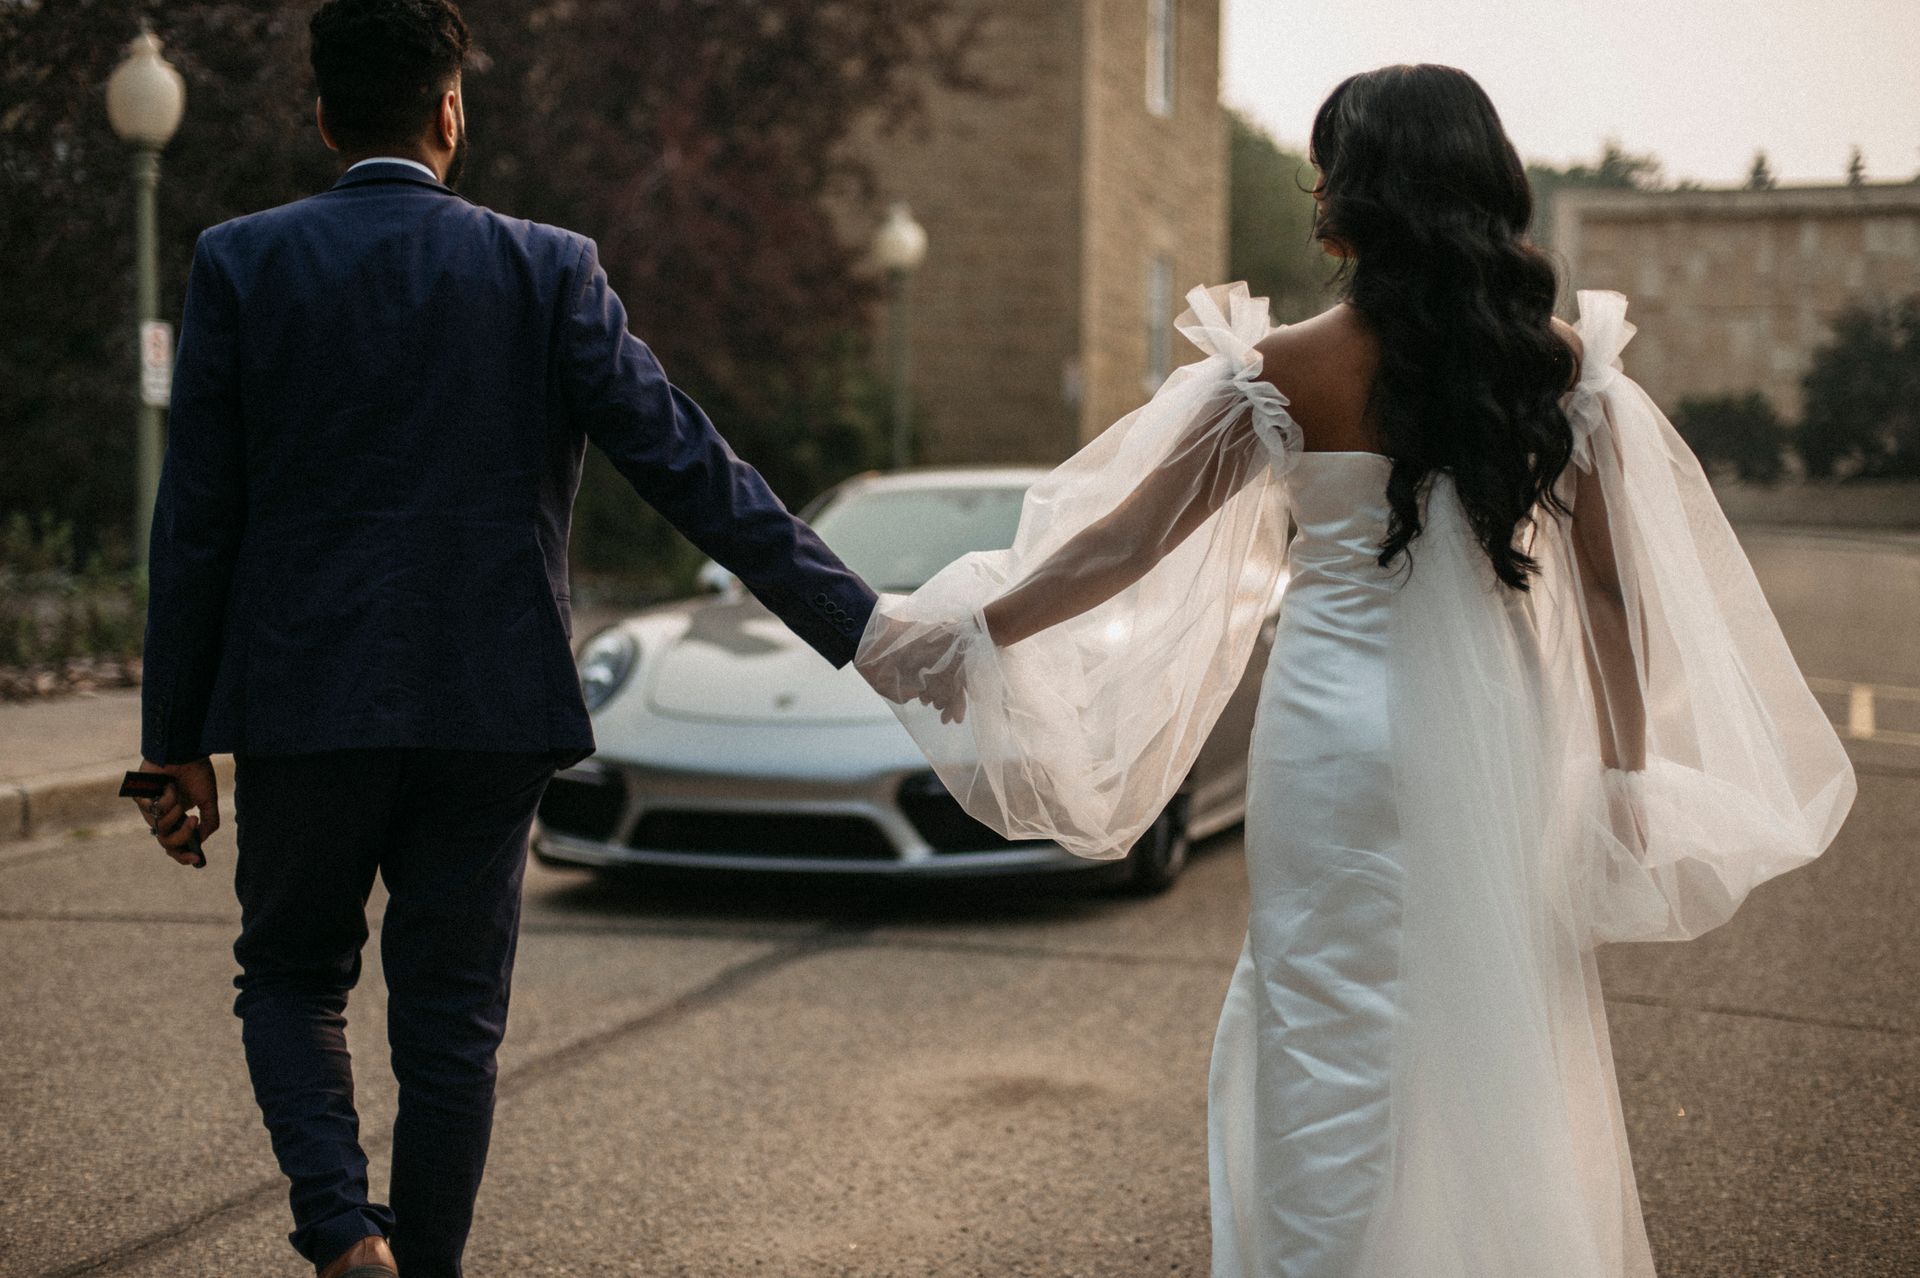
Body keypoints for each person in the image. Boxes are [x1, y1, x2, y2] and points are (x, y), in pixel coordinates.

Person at [855, 64, 1855, 1276]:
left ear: (1362, 193)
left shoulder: (1285, 368)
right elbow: (1603, 598)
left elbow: (1123, 541)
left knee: (1324, 1020)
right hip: (1496, 727)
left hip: (1329, 734)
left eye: (1328, 165)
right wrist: (1632, 773)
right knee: (1491, 1014)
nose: (1315, 186)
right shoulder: (1557, 372)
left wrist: (975, 631)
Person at [132, 2, 875, 1274]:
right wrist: (861, 626)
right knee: (451, 1027)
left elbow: (196, 520)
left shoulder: (240, 262)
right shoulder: (547, 268)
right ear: (451, 113)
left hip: (304, 700)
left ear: (323, 115)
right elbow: (686, 463)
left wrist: (176, 744)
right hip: (494, 700)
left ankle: (337, 1236)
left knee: (294, 979)